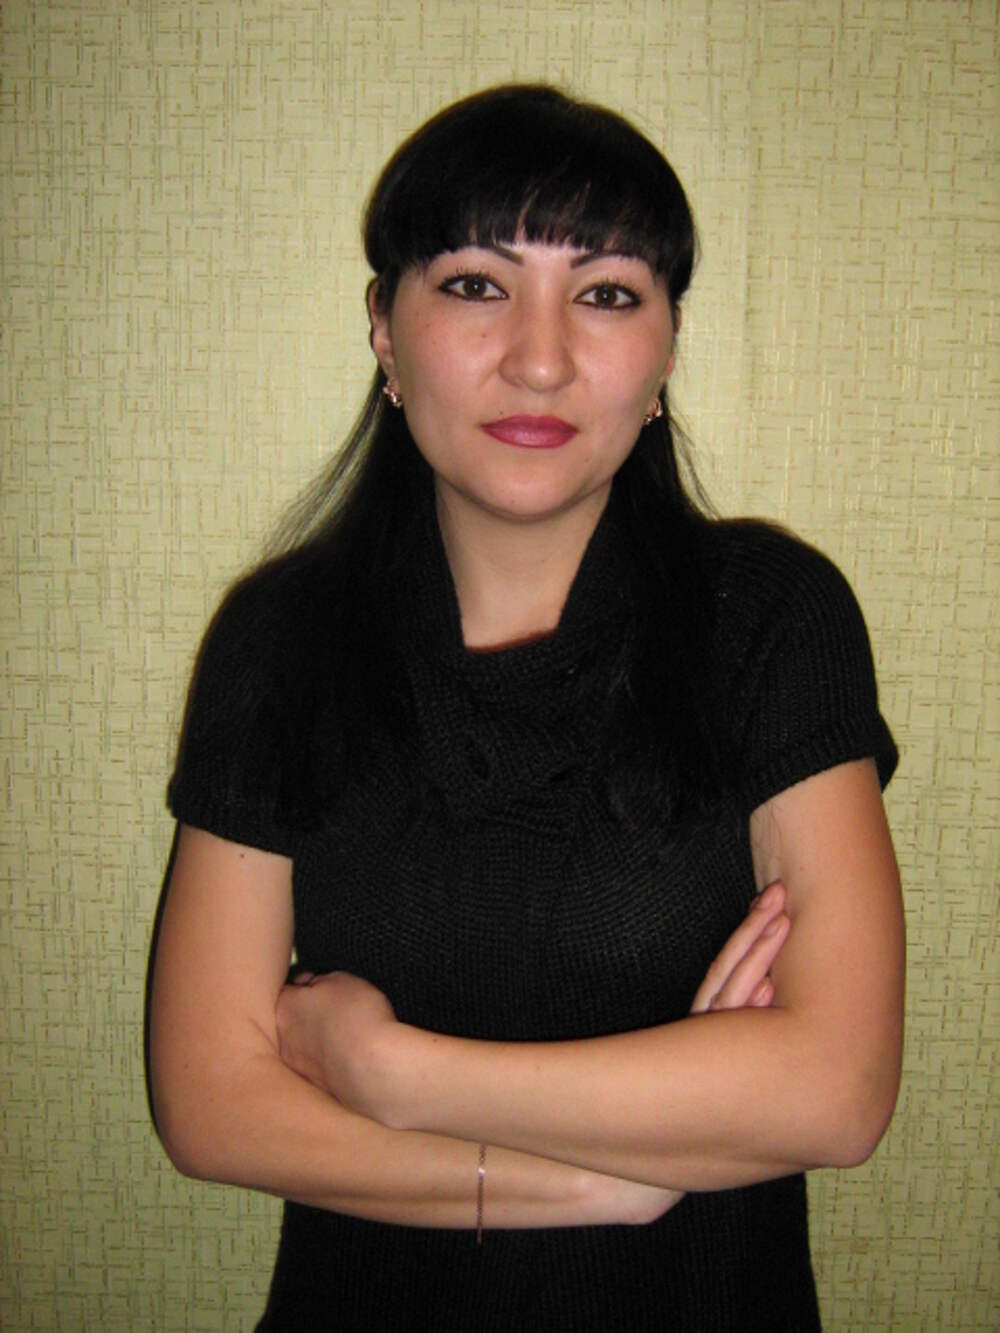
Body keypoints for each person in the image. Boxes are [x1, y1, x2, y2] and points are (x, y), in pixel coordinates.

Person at [147, 84, 904, 1331]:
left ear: (665, 350)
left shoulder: (771, 617)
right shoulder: (279, 641)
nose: (539, 359)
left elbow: (838, 1090)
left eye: (605, 294)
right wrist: (602, 1184)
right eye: (474, 285)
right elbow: (211, 1107)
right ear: (384, 329)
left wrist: (396, 1073)